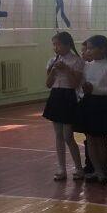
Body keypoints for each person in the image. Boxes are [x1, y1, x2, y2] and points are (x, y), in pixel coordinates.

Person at [43, 31, 84, 181]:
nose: (56, 47)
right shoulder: (52, 61)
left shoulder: (77, 61)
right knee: (58, 135)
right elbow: (48, 84)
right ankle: (61, 168)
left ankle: (78, 168)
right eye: (54, 45)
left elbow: (75, 84)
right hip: (56, 95)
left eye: (58, 44)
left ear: (68, 45)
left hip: (69, 97)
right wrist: (53, 70)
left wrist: (66, 69)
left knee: (68, 136)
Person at [76, 35, 107, 184]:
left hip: (102, 104)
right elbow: (81, 85)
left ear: (102, 49)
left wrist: (94, 89)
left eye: (91, 48)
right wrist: (84, 90)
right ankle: (97, 170)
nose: (88, 51)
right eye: (87, 48)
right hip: (89, 103)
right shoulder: (87, 66)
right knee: (90, 138)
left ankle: (103, 170)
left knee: (101, 139)